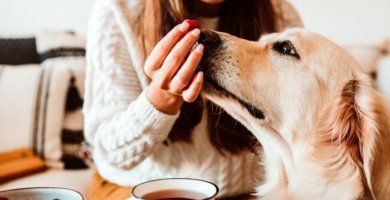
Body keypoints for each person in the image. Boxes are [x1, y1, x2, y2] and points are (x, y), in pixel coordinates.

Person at [84, 0, 302, 199]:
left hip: (248, 192)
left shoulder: (279, 15)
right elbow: (111, 154)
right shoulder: (117, 11)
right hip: (136, 190)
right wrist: (160, 99)